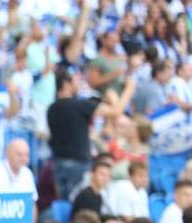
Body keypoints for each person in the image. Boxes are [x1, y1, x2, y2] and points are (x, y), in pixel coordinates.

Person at [47, 69, 135, 200]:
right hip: (78, 165)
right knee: (79, 207)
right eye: (76, 81)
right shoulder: (80, 105)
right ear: (66, 84)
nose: (78, 85)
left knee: (63, 206)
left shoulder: (51, 109)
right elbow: (116, 112)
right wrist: (129, 89)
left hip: (58, 164)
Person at [0, 138, 38, 210]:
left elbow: (33, 204)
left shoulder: (27, 173)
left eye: (27, 155)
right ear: (8, 154)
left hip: (21, 219)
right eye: (20, 155)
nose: (24, 159)